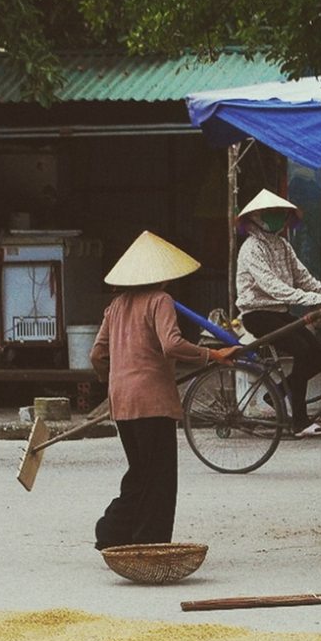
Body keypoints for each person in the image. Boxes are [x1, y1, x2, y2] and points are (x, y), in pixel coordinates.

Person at [90, 230, 240, 550]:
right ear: (164, 276)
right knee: (159, 477)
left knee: (140, 472)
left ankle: (112, 531)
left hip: (123, 401)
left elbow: (97, 355)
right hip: (153, 403)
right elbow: (171, 344)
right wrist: (212, 354)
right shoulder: (160, 301)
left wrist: (114, 381)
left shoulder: (115, 306)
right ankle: (149, 541)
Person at [234, 189, 321, 437]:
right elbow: (272, 287)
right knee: (301, 351)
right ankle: (299, 421)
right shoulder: (251, 248)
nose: (278, 218)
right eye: (272, 213)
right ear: (256, 216)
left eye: (281, 214)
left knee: (319, 355)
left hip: (279, 312)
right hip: (258, 314)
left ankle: (277, 391)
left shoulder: (283, 245)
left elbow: (305, 279)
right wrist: (314, 299)